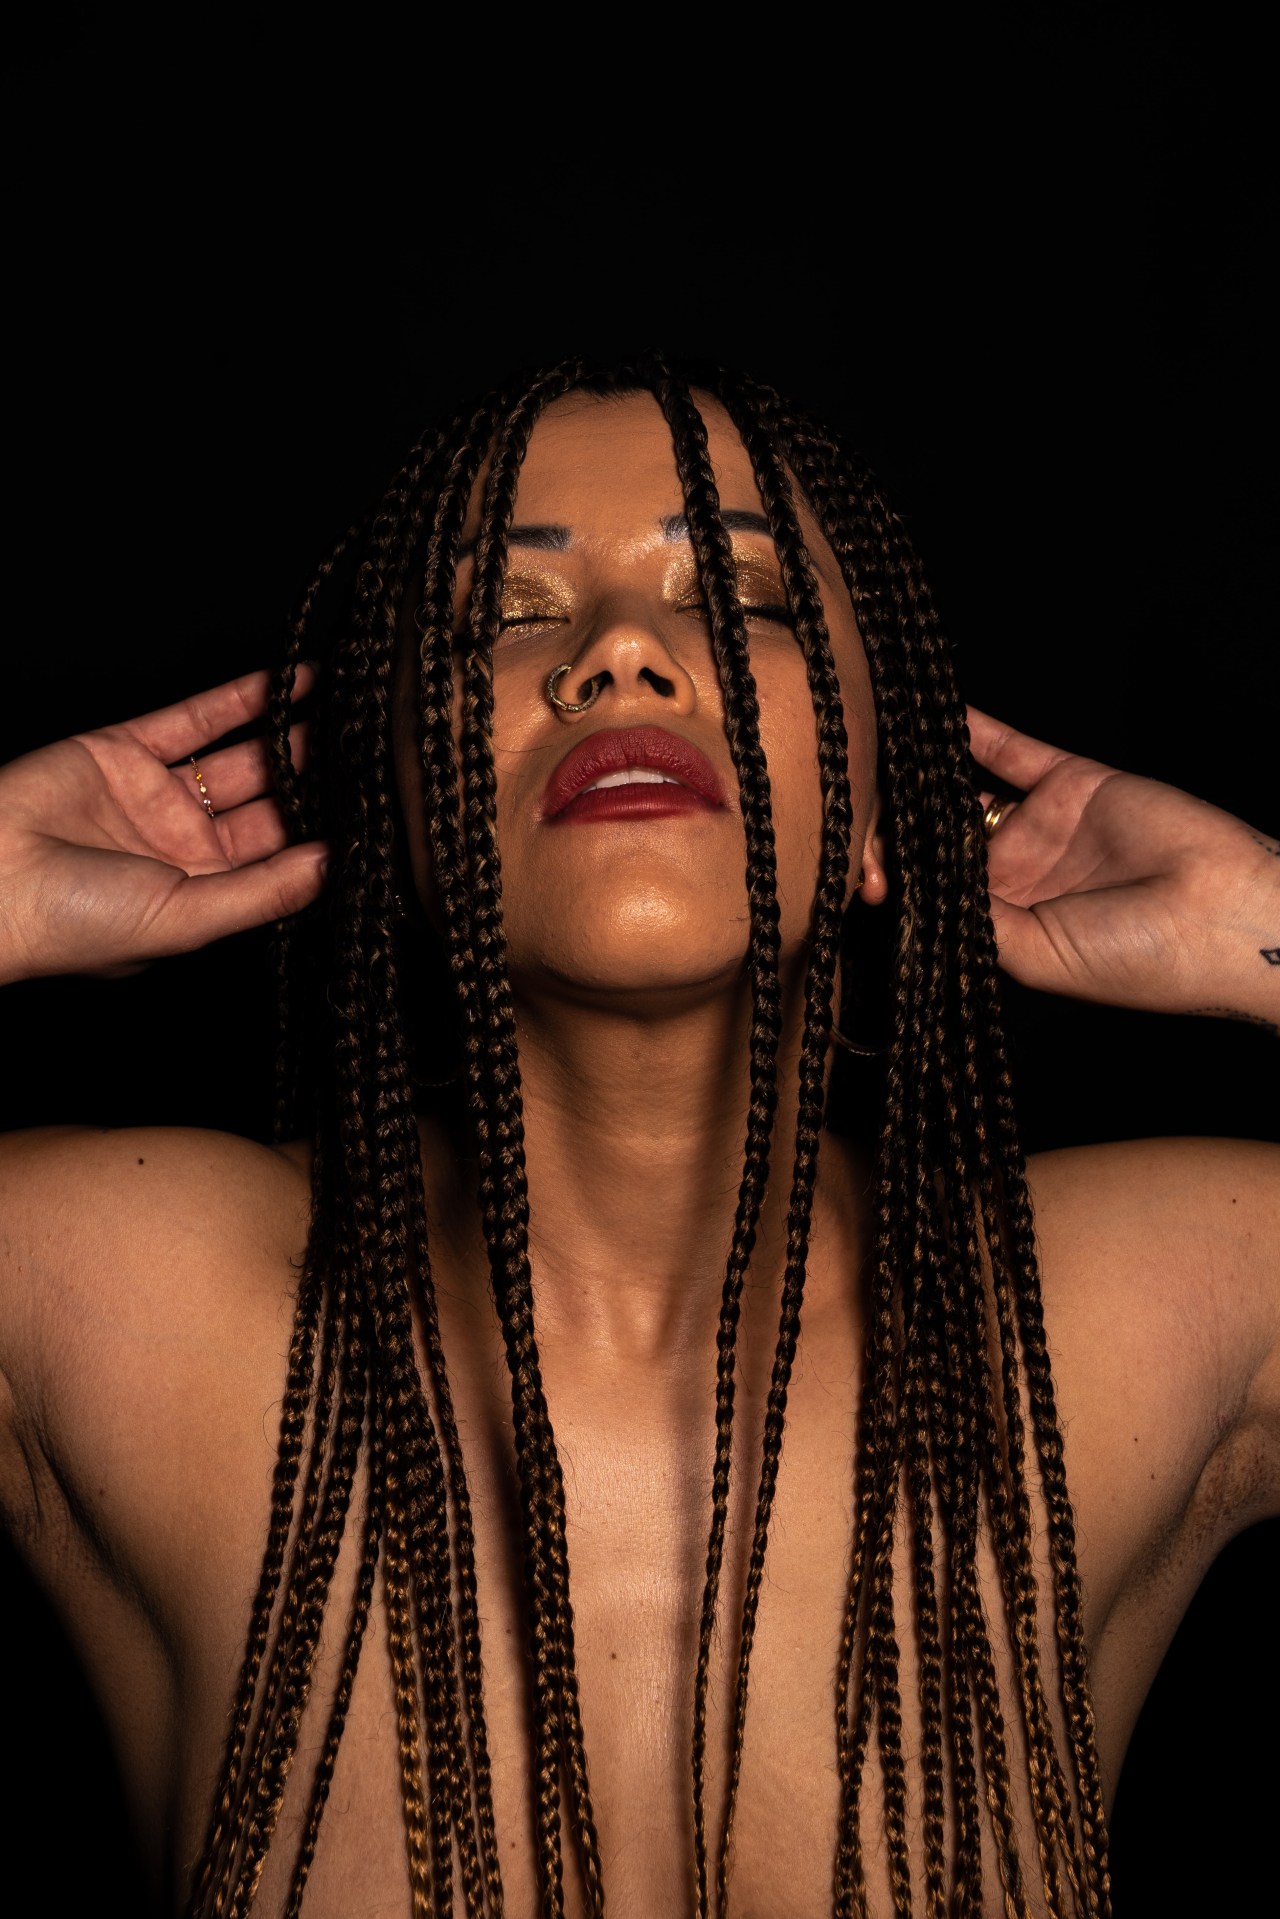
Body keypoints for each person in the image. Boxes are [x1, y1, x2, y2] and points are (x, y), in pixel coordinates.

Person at [0, 354, 1275, 1919]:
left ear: (885, 787)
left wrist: (1264, 926)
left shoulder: (1155, 1303)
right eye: (502, 616)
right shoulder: (109, 1292)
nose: (620, 651)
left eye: (742, 598)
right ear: (386, 797)